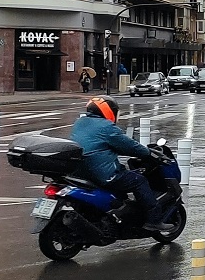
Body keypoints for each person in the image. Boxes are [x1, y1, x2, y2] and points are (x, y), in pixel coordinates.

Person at [70, 96, 172, 233]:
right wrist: (149, 153)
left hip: (81, 172)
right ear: (108, 111)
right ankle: (154, 220)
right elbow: (129, 146)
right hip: (103, 174)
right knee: (139, 180)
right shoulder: (106, 127)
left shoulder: (80, 122)